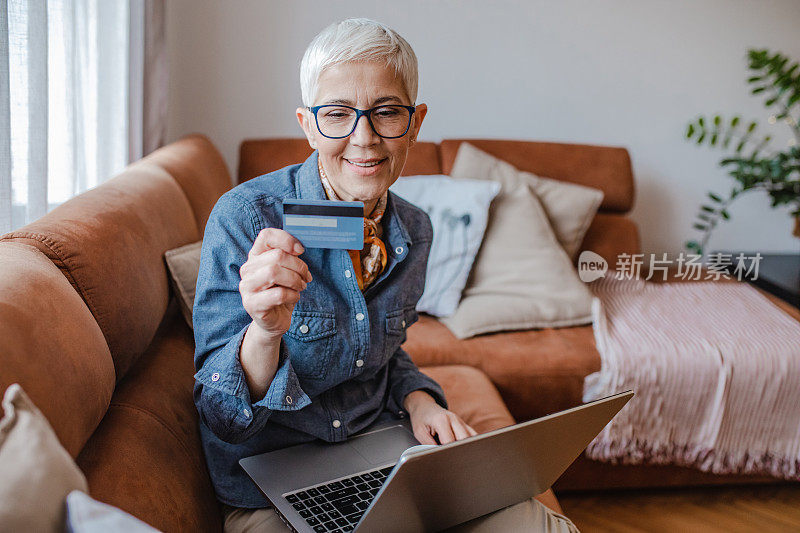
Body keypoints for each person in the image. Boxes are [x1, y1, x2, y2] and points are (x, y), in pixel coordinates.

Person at [193, 17, 580, 533]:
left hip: (381, 452)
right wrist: (264, 332)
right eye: (337, 114)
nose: (364, 138)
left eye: (386, 113)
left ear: (415, 122)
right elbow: (222, 417)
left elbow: (383, 349)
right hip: (270, 482)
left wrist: (418, 399)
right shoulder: (245, 218)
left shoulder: (414, 229)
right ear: (308, 124)